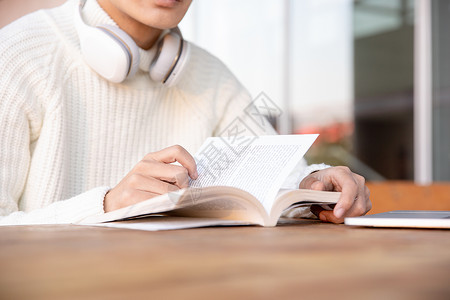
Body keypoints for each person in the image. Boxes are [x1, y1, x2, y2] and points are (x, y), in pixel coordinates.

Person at [0, 0, 371, 225]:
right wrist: (108, 205)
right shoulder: (19, 54)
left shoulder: (209, 76)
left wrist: (316, 188)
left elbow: (276, 184)